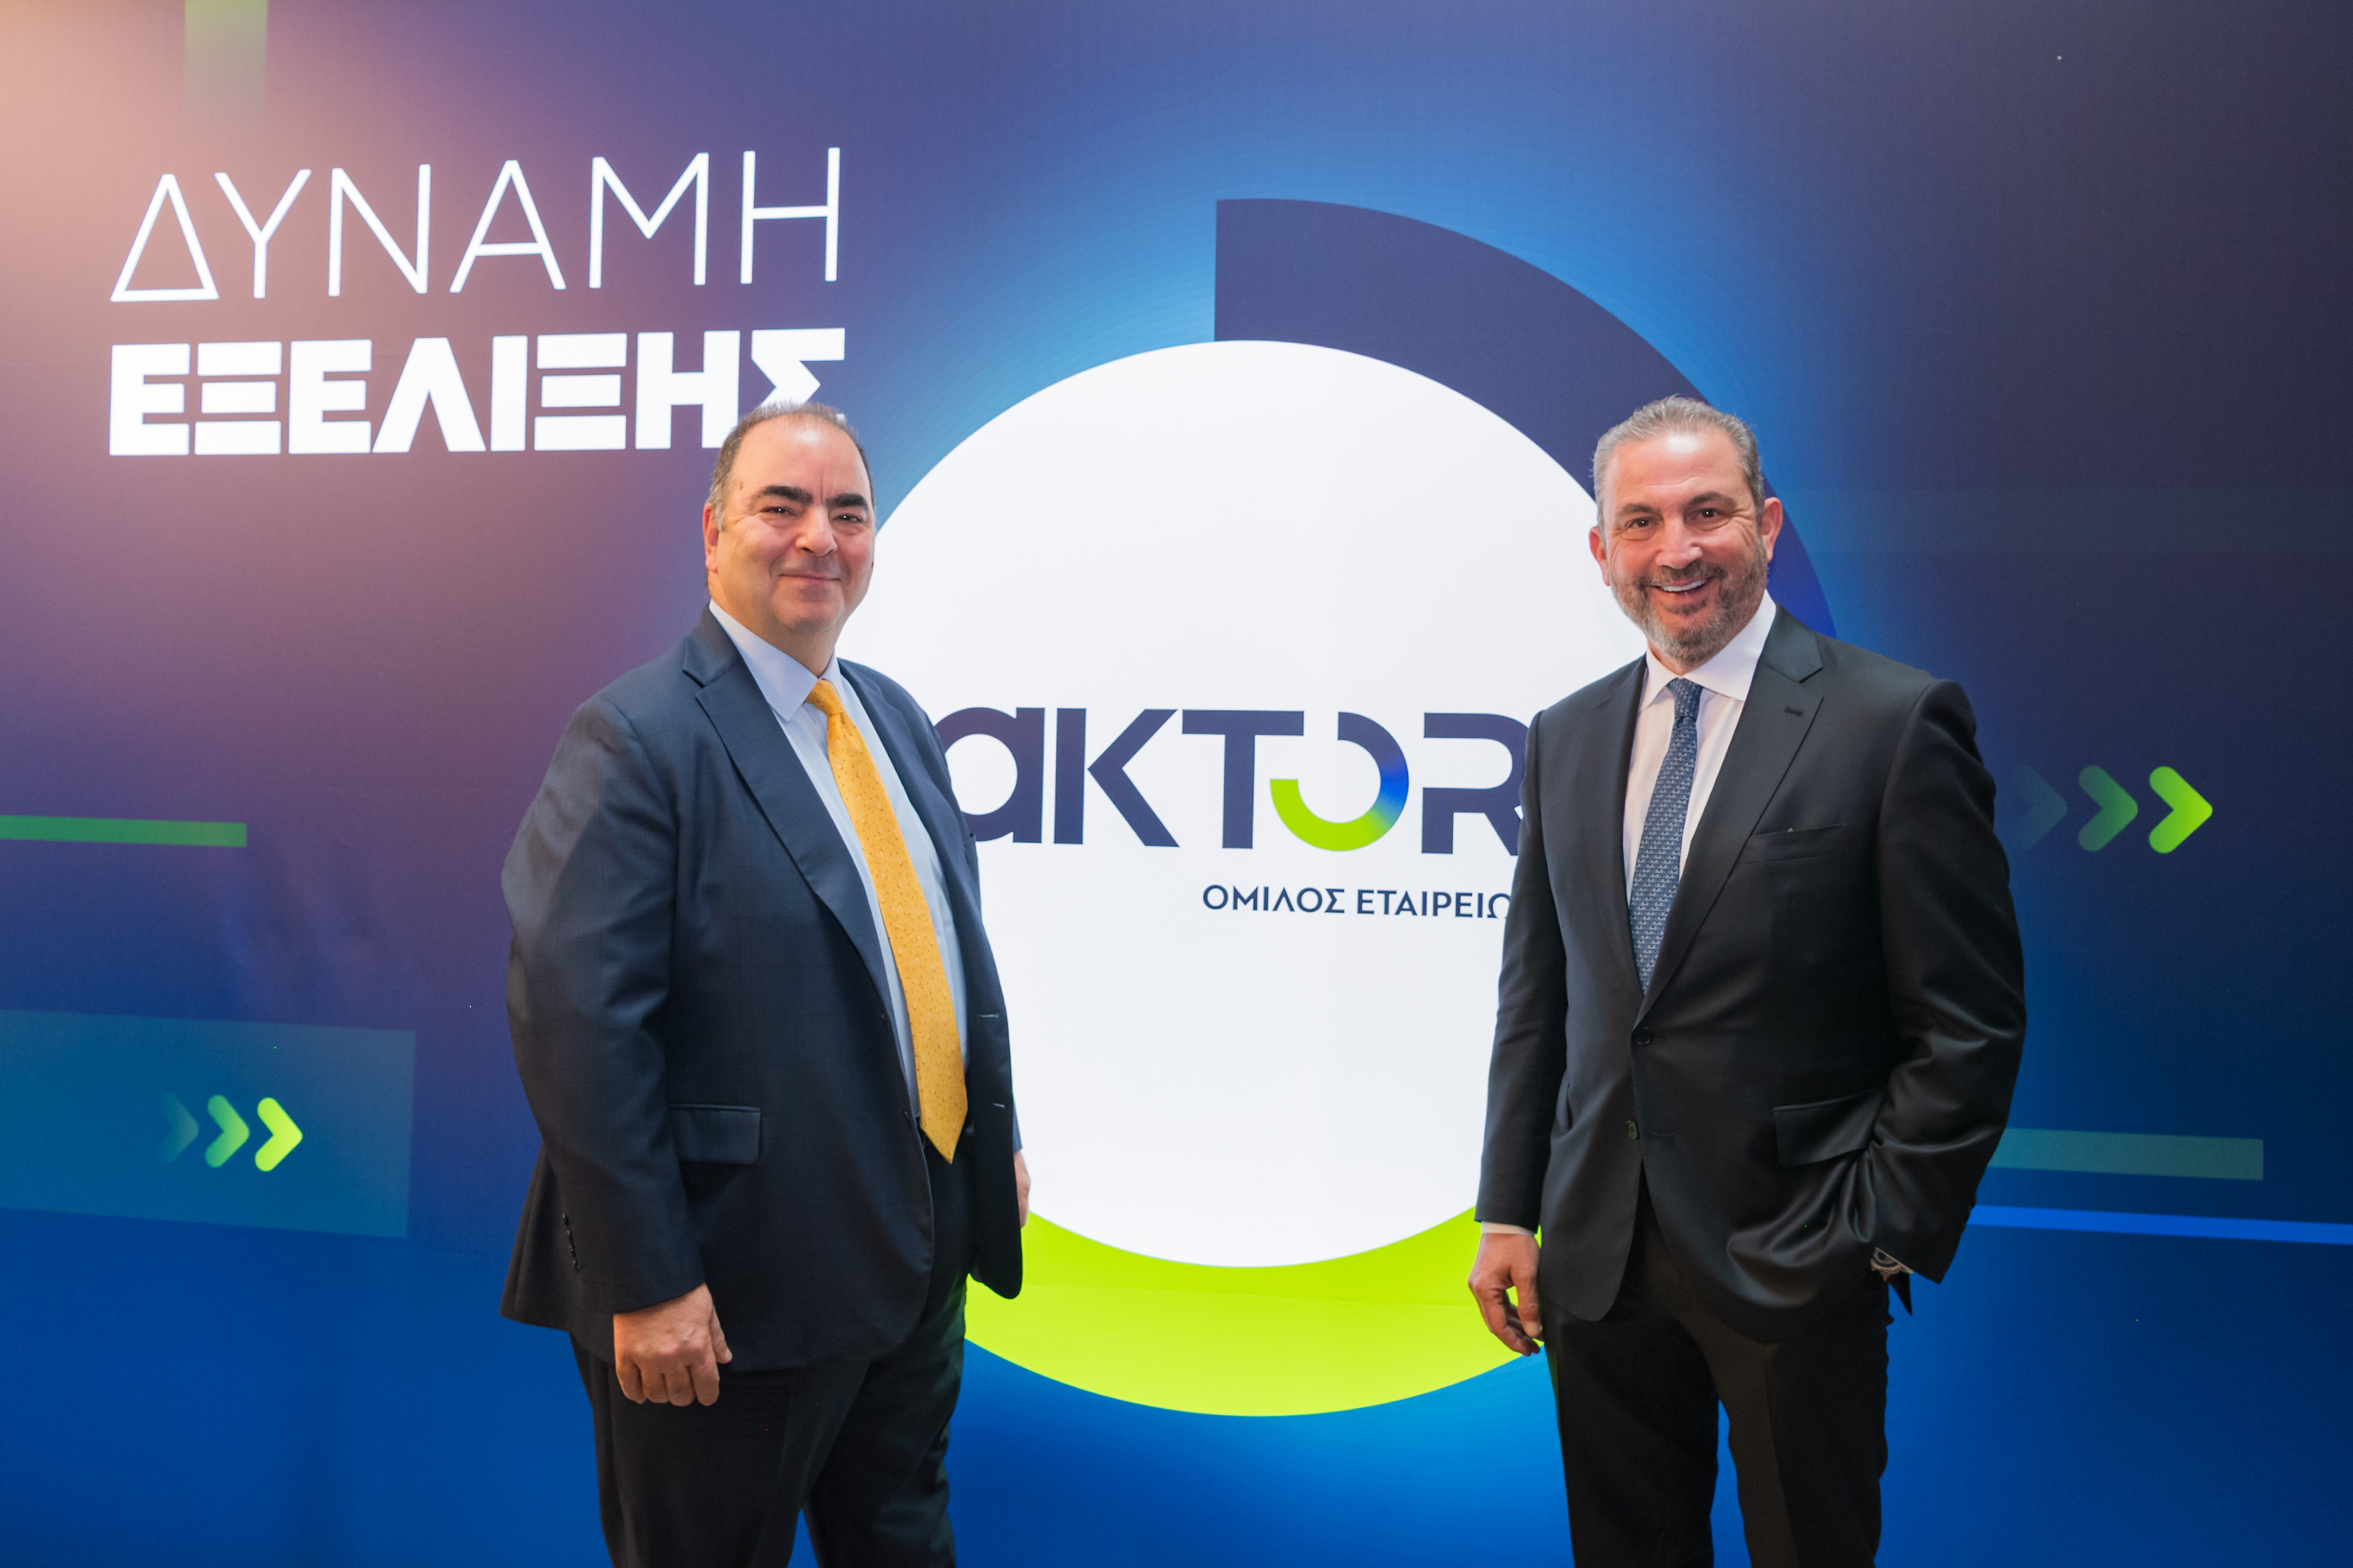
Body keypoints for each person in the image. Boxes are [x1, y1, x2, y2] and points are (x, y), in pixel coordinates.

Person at [1468, 397, 2024, 1567]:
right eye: (1642, 522)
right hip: (1596, 1259)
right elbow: (1540, 999)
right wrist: (1510, 1210)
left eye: (1707, 512)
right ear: (1602, 550)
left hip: (1800, 1260)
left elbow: (1969, 1022)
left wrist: (1877, 1237)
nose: (1676, 549)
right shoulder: (1565, 735)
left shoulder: (1892, 721)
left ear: (1765, 524)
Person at [500, 400, 1029, 1567]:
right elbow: (579, 1029)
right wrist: (649, 1280)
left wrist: (993, 1138)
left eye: (848, 512)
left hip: (909, 1263)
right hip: (722, 1295)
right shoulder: (636, 737)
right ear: (712, 532)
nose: (819, 538)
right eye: (781, 506)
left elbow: (941, 955)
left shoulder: (896, 720)